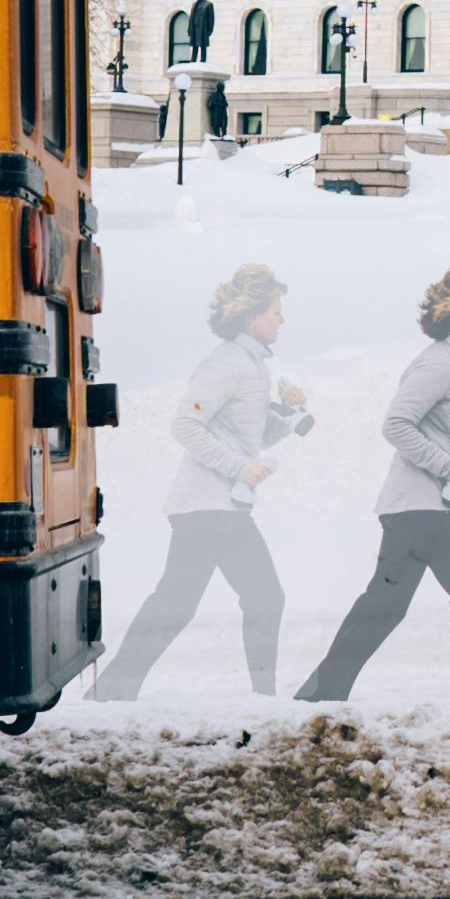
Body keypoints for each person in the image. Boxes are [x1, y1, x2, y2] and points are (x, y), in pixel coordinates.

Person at [86, 259, 309, 700]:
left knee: (178, 602)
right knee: (261, 598)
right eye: (275, 311)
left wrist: (287, 413)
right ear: (251, 317)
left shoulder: (251, 364)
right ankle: (262, 696)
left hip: (214, 508)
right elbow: (185, 427)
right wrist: (239, 468)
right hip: (210, 506)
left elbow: (247, 435)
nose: (282, 320)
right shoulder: (228, 363)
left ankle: (112, 690)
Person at [299, 262, 450, 700]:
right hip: (424, 507)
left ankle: (320, 693)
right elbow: (397, 425)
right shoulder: (439, 363)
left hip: (412, 507)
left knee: (385, 606)